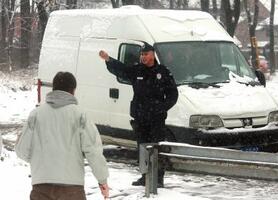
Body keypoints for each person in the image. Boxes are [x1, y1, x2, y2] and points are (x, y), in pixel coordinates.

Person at [15, 72, 109, 200]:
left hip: (41, 188)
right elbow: (93, 151)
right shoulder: (80, 115)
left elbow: (22, 151)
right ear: (73, 90)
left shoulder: (36, 115)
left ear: (53, 88)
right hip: (72, 190)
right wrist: (102, 180)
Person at [99, 43, 178, 187]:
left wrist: (162, 107)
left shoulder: (162, 72)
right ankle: (144, 176)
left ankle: (158, 179)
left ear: (153, 54)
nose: (143, 57)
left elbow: (173, 94)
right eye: (141, 54)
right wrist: (109, 60)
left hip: (156, 119)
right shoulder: (137, 70)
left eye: (146, 54)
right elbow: (122, 70)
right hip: (141, 117)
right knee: (142, 148)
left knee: (156, 148)